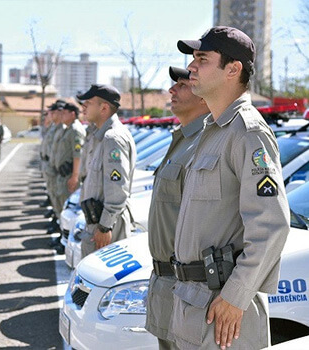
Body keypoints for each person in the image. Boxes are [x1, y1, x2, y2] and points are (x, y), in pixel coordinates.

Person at [169, 26, 290, 350]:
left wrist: (236, 297)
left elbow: (271, 225)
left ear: (233, 69)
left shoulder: (248, 133)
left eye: (202, 59)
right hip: (194, 303)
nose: (191, 67)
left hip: (223, 312)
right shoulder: (214, 131)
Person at [145, 66, 210, 350]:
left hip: (186, 285)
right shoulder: (183, 139)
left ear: (203, 97)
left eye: (182, 85)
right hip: (166, 283)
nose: (172, 90)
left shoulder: (204, 143)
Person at [76, 84, 136, 258]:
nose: (83, 106)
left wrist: (105, 226)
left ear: (104, 108)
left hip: (108, 226)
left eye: (88, 102)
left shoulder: (113, 138)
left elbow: (118, 188)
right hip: (98, 222)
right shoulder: (98, 136)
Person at [52, 102, 86, 253]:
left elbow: (77, 155)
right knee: (62, 209)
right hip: (63, 174)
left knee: (70, 214)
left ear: (72, 113)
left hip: (69, 176)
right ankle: (63, 239)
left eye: (64, 113)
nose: (62, 115)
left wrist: (75, 176)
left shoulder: (76, 130)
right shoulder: (68, 129)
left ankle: (67, 245)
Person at [44, 100, 66, 234]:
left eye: (53, 111)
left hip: (63, 173)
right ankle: (58, 225)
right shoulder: (56, 128)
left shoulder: (65, 129)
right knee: (56, 199)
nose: (50, 114)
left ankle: (61, 230)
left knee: (62, 204)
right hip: (52, 168)